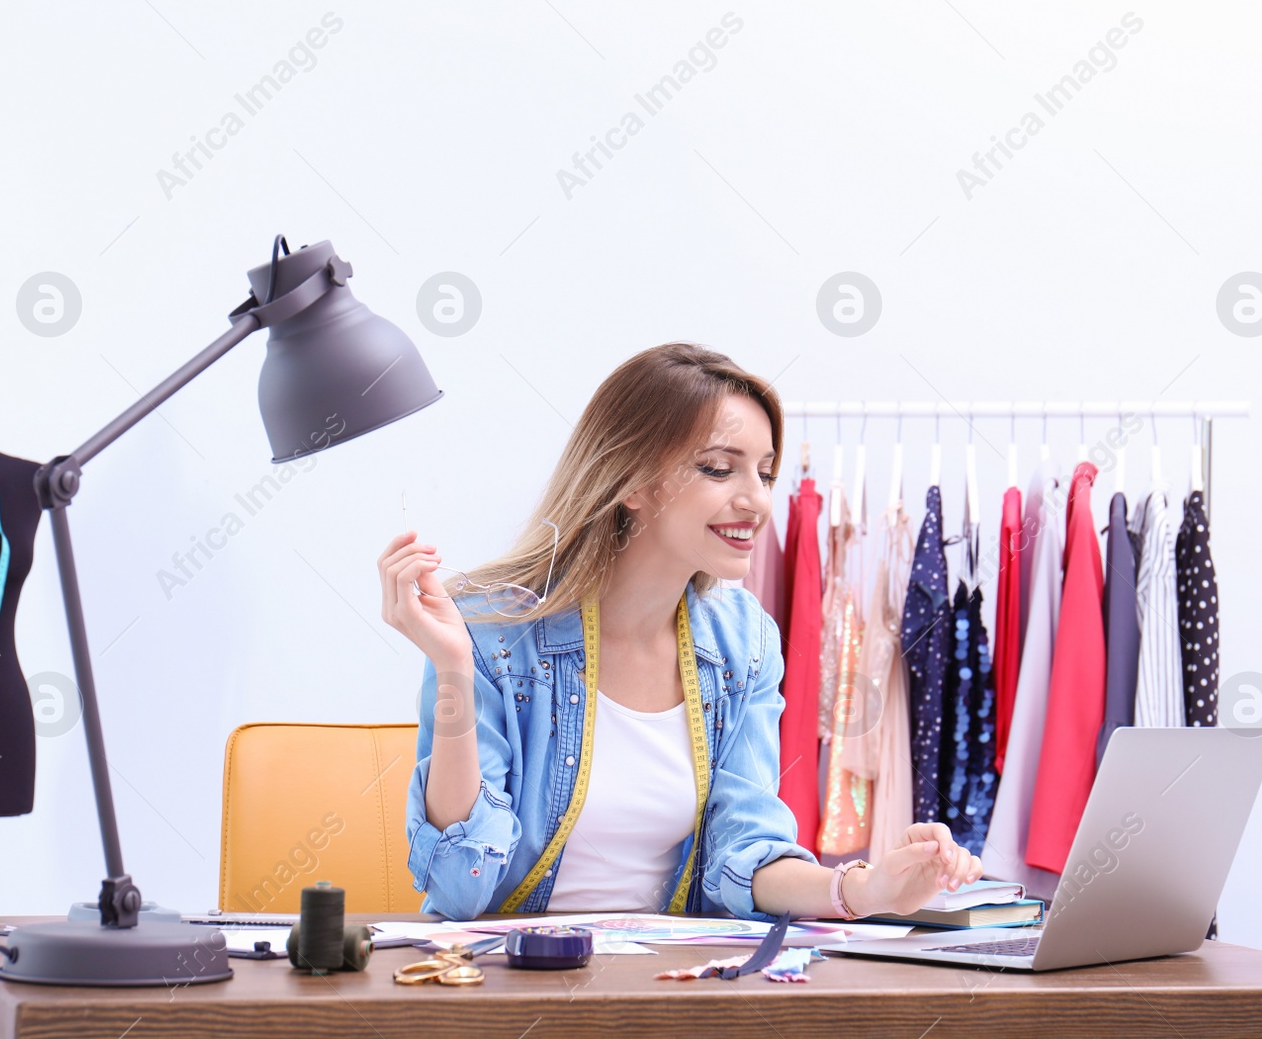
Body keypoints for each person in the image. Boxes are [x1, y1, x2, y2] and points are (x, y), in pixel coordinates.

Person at [378, 342, 983, 922]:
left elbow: (745, 851)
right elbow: (459, 886)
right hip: (507, 986)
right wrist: (454, 669)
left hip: (666, 987)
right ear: (633, 483)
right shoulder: (490, 633)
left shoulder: (744, 642)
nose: (757, 501)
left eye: (766, 474)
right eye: (719, 469)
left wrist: (865, 886)